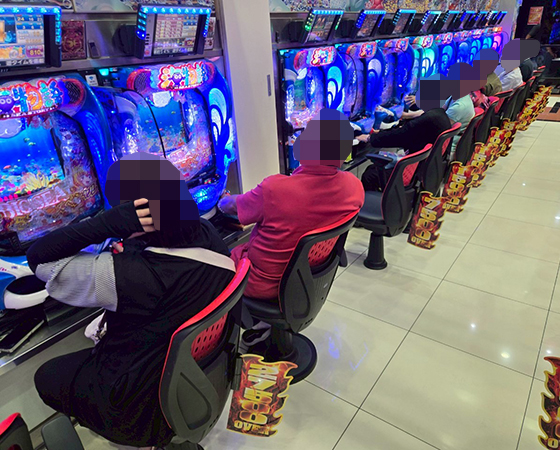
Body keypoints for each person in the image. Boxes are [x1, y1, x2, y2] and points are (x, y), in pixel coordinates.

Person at [31, 153, 235, 449]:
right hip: (197, 381)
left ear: (132, 213)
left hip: (135, 410)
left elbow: (39, 260)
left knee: (46, 376)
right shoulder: (208, 233)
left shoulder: (131, 275)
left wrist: (105, 223)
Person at [217, 108, 364, 346]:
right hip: (308, 279)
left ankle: (226, 341)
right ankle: (265, 325)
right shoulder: (354, 187)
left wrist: (221, 198)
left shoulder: (275, 189)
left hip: (262, 283)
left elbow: (232, 207)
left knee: (211, 265)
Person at [358, 107, 452, 192]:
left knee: (370, 174)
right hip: (424, 169)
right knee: (372, 168)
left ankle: (374, 204)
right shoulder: (439, 114)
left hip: (413, 172)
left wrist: (369, 138)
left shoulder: (429, 118)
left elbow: (400, 136)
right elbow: (405, 132)